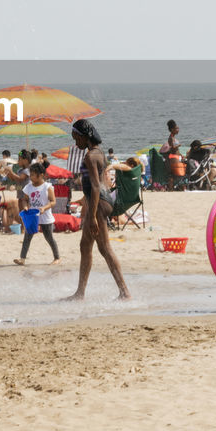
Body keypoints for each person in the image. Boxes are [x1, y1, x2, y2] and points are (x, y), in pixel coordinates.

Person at [65, 119, 129, 300]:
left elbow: (94, 186)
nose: (75, 141)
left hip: (98, 203)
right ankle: (80, 293)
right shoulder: (98, 152)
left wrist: (92, 215)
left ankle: (124, 292)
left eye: (76, 137)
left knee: (105, 248)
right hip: (100, 201)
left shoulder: (90, 156)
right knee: (85, 246)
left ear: (84, 136)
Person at [15, 163, 60, 265]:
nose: (30, 177)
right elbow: (25, 200)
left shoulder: (47, 187)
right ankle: (22, 259)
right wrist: (26, 206)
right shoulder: (28, 187)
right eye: (30, 174)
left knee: (49, 238)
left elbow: (53, 201)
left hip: (45, 217)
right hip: (32, 216)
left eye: (33, 175)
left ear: (41, 175)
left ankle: (57, 257)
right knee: (27, 237)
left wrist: (44, 208)